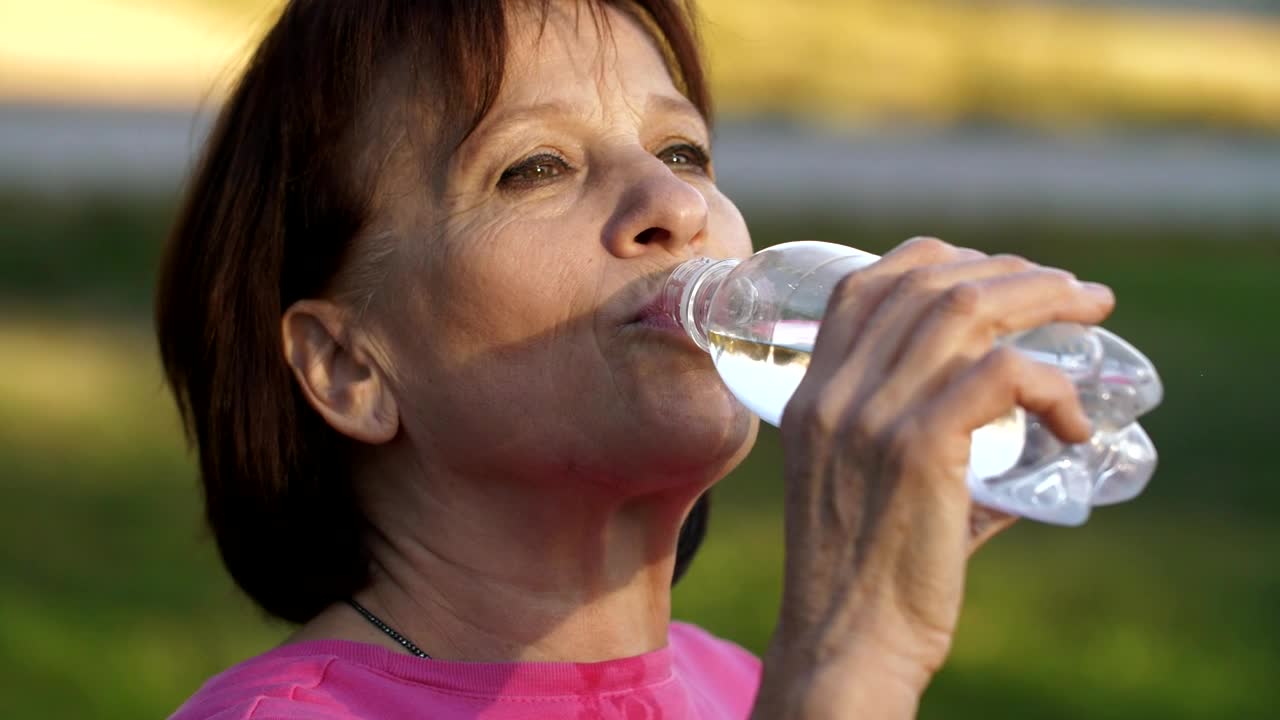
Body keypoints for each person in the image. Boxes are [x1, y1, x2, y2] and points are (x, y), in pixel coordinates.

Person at [157, 1, 1116, 717]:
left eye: (684, 151)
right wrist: (842, 667)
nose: (675, 203)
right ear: (347, 368)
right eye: (534, 167)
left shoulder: (741, 688)